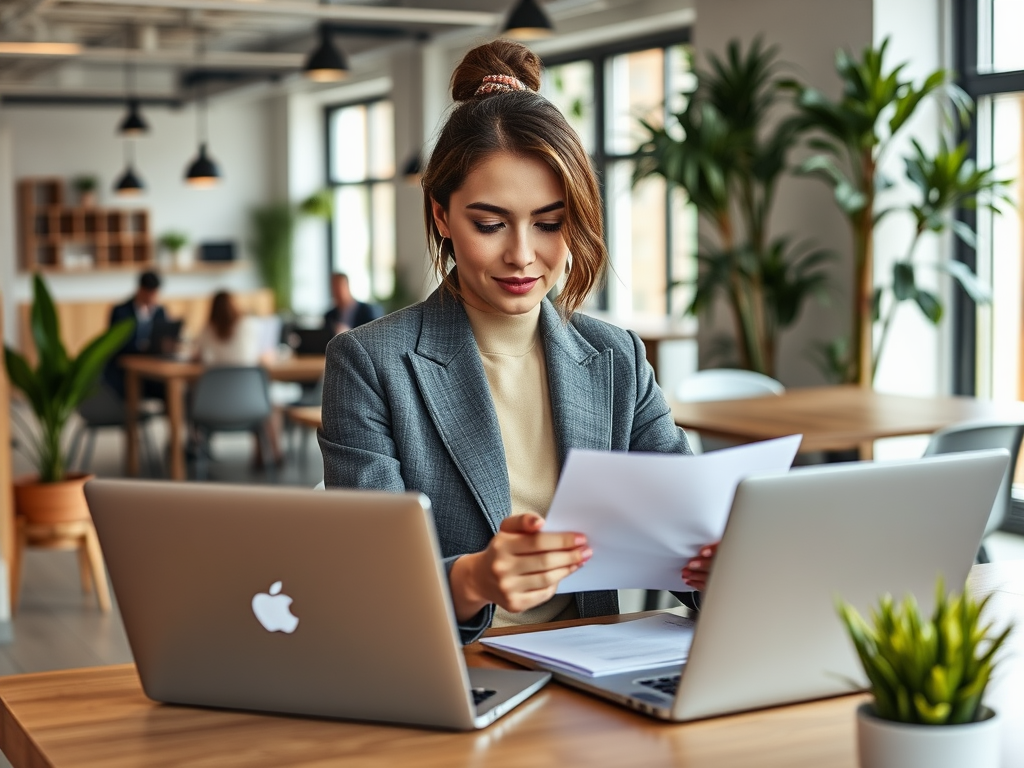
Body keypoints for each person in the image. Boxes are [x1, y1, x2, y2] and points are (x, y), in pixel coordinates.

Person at [319, 40, 716, 645]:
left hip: (590, 668)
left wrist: (717, 562)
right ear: (441, 216)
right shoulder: (372, 363)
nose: (523, 255)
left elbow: (685, 530)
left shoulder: (618, 359)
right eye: (490, 223)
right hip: (457, 669)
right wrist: (473, 580)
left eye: (550, 223)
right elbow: (369, 576)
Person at [194, 290, 293, 466]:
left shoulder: (206, 331)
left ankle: (197, 449)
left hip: (212, 408)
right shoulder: (248, 325)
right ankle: (275, 452)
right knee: (270, 400)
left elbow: (200, 357)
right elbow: (259, 355)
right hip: (249, 405)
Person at [104, 270, 169, 398]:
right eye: (150, 293)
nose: (153, 297)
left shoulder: (159, 311)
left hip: (153, 362)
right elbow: (114, 343)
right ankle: (134, 414)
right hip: (125, 364)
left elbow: (163, 336)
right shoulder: (121, 311)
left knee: (166, 384)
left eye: (155, 293)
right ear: (141, 290)